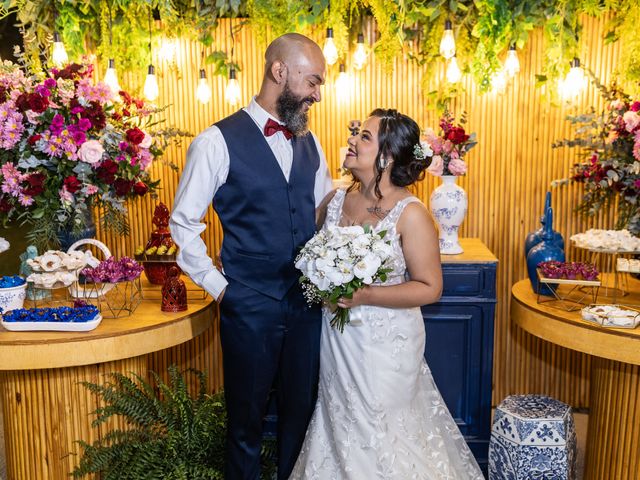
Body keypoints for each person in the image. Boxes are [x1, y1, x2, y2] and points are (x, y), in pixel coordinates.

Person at [169, 33, 332, 480]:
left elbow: (323, 216)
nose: (318, 94)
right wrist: (224, 292)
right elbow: (183, 225)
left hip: (305, 305)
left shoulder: (311, 142)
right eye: (313, 81)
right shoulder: (215, 141)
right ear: (280, 72)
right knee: (245, 424)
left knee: (300, 416)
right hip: (248, 306)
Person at [290, 109, 484, 479]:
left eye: (364, 136)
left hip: (386, 347)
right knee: (339, 422)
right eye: (356, 134)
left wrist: (365, 295)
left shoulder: (411, 214)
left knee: (383, 432)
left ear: (387, 157)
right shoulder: (335, 200)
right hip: (338, 341)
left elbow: (431, 287)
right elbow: (305, 251)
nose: (351, 140)